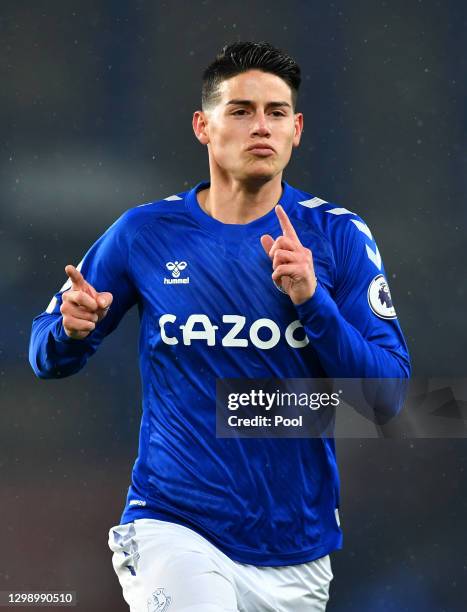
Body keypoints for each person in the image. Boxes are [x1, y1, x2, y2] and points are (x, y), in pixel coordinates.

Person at [29, 41, 411, 612]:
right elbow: (42, 350)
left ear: (297, 129)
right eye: (240, 110)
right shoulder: (144, 233)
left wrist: (313, 301)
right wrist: (69, 330)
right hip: (173, 526)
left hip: (297, 553)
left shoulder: (338, 237)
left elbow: (387, 397)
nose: (262, 126)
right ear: (202, 126)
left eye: (276, 112)